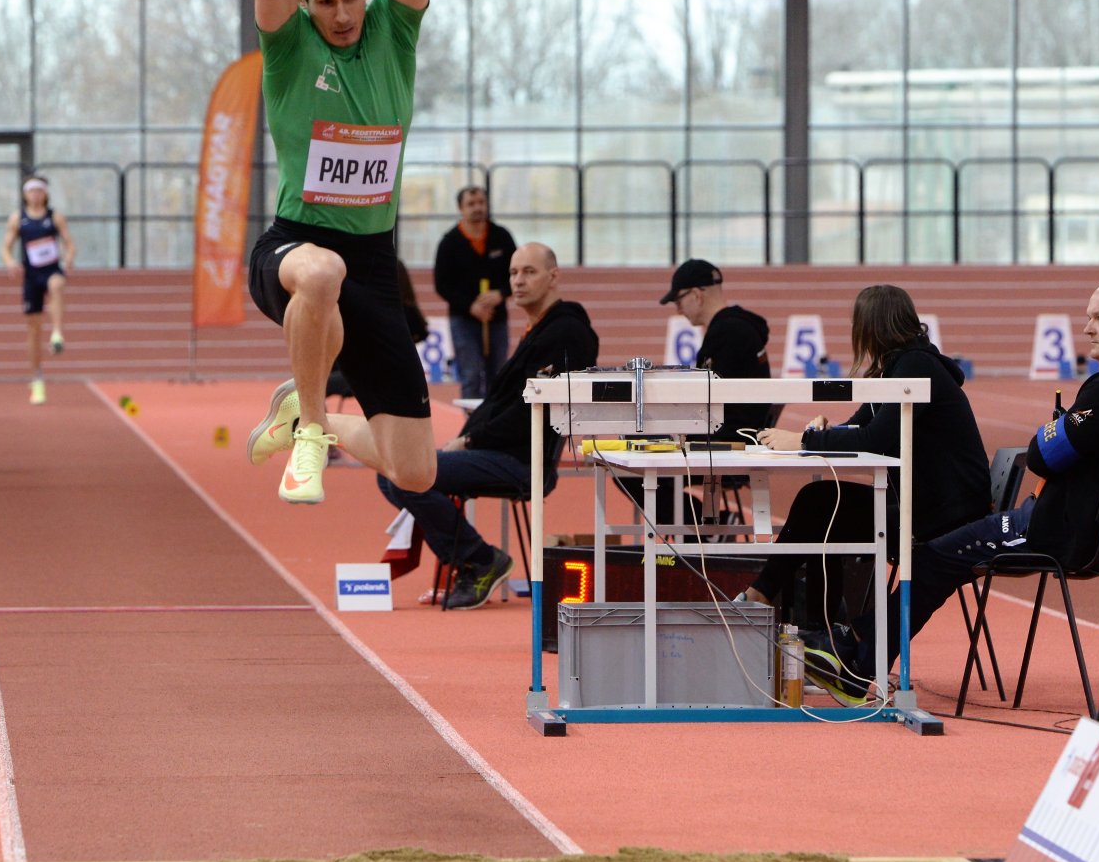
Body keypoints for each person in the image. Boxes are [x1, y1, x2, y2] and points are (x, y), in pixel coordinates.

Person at [823, 280, 1099, 694]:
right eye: (1088, 317)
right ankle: (862, 650)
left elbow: (1041, 455)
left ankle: (859, 653)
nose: (1087, 328)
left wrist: (1055, 429)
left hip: (1058, 530)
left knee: (932, 557)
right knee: (935, 551)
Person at [244, 0, 437, 506]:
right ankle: (314, 432)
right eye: (324, 2)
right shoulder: (290, 48)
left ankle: (304, 414)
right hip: (292, 248)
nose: (343, 13)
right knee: (320, 273)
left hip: (374, 262)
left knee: (415, 467)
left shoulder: (396, 28)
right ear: (304, 2)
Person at [752, 285, 989, 637]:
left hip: (944, 516)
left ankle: (777, 606)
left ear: (870, 327)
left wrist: (803, 440)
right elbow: (862, 426)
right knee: (822, 502)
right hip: (928, 504)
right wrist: (827, 429)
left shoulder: (915, 367)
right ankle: (808, 625)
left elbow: (877, 440)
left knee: (823, 508)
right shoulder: (899, 367)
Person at [377, 244, 598, 609]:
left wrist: (468, 440)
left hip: (522, 461)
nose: (517, 281)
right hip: (496, 451)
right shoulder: (539, 330)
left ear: (554, 276)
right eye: (513, 273)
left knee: (401, 474)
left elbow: (530, 413)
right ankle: (473, 559)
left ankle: (479, 560)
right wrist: (464, 440)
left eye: (529, 272)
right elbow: (502, 403)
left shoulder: (568, 334)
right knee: (396, 472)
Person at [626, 259, 777, 525]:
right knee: (639, 442)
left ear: (696, 294)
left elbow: (709, 401)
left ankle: (704, 527)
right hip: (735, 433)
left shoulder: (728, 333)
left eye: (679, 301)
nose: (678, 310)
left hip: (729, 441)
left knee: (629, 463)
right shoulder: (737, 328)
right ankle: (703, 524)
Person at [433, 186, 516, 400]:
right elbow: (442, 284)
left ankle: (495, 423)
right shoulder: (449, 242)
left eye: (481, 202)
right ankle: (472, 429)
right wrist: (471, 307)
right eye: (471, 204)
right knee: (470, 374)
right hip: (463, 320)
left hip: (496, 318)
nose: (477, 208)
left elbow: (516, 272)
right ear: (461, 208)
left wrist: (500, 294)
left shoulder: (501, 237)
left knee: (498, 374)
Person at [2, 176, 73, 407]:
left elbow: (69, 243)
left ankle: (57, 333)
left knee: (57, 285)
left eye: (39, 191)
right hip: (31, 277)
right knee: (32, 329)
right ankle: (37, 378)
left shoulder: (54, 217)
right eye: (31, 191)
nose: (35, 195)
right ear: (25, 195)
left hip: (51, 270)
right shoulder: (18, 219)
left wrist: (69, 258)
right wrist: (10, 261)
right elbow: (6, 247)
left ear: (45, 194)